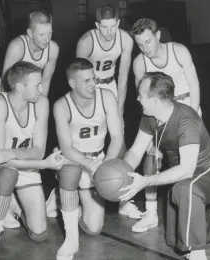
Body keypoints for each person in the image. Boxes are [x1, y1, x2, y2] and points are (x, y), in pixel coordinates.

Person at [119, 72, 210, 260]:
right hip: (185, 177)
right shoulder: (150, 117)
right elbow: (135, 151)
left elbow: (187, 170)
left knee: (185, 188)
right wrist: (121, 173)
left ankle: (198, 254)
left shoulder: (186, 119)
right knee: (176, 242)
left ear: (155, 101)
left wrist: (146, 181)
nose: (137, 98)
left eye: (141, 94)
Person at [0, 61, 64, 260]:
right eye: (37, 85)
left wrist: (11, 153)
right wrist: (44, 164)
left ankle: (13, 206)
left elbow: (38, 151)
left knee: (39, 233)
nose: (42, 89)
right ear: (19, 87)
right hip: (0, 168)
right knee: (8, 175)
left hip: (26, 165)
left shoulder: (42, 103)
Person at [130, 18, 202, 232]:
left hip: (187, 106)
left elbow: (194, 83)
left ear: (158, 35)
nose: (145, 48)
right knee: (152, 157)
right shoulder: (139, 63)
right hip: (160, 112)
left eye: (148, 41)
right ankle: (151, 213)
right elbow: (143, 98)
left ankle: (208, 211)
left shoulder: (179, 51)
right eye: (140, 44)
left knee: (192, 167)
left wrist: (194, 115)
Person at [54, 58, 123, 260]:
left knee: (93, 229)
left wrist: (107, 163)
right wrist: (89, 164)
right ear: (72, 83)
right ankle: (71, 240)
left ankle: (66, 201)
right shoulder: (61, 105)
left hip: (99, 159)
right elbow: (66, 147)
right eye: (86, 81)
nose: (93, 84)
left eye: (94, 78)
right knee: (69, 171)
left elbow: (117, 136)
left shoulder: (107, 96)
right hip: (74, 159)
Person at [75, 3, 140, 218]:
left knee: (118, 137)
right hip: (89, 88)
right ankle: (64, 195)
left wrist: (119, 110)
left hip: (110, 85)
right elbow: (78, 78)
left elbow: (123, 77)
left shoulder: (125, 39)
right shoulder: (86, 41)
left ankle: (123, 199)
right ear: (97, 25)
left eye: (113, 26)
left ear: (118, 24)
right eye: (104, 27)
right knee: (84, 139)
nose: (109, 32)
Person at [0, 10, 59, 96]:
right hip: (7, 91)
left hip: (31, 93)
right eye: (42, 34)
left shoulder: (53, 49)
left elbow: (45, 81)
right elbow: (5, 80)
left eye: (49, 34)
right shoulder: (17, 47)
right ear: (30, 33)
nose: (46, 39)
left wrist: (41, 104)